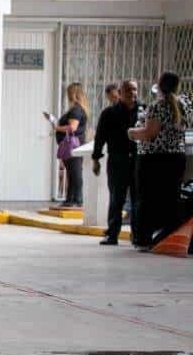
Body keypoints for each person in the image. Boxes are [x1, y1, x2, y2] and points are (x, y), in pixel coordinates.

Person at [129, 71, 192, 248]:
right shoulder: (184, 105)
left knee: (147, 199)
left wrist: (132, 133)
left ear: (160, 85)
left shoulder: (159, 106)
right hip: (176, 158)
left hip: (153, 159)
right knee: (171, 198)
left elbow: (150, 133)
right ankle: (168, 236)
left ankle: (144, 239)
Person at [92, 79, 140, 246]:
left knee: (137, 199)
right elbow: (100, 137)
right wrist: (96, 159)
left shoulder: (144, 111)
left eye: (134, 89)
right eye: (128, 90)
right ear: (120, 93)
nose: (132, 93)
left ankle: (138, 235)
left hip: (137, 160)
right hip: (117, 160)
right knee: (116, 199)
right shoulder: (109, 113)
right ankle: (112, 235)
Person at [50, 83, 90, 207]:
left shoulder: (76, 110)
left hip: (73, 146)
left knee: (75, 171)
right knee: (72, 171)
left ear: (73, 94)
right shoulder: (77, 109)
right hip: (74, 145)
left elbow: (72, 127)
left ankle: (77, 199)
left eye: (68, 94)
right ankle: (70, 199)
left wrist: (56, 127)